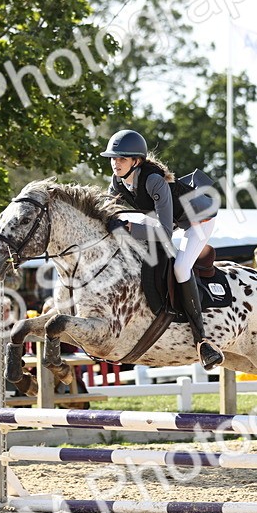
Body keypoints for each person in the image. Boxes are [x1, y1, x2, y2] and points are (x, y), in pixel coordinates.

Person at [102, 128, 223, 368]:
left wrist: (128, 229)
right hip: (167, 219)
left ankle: (202, 341)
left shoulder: (154, 181)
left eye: (122, 158)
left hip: (198, 220)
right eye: (114, 158)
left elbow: (166, 233)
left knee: (180, 268)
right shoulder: (117, 180)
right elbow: (106, 212)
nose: (116, 163)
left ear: (136, 161)